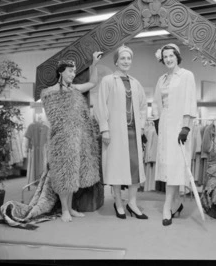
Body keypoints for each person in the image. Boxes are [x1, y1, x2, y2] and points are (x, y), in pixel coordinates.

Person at [40, 51, 103, 222]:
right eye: (70, 71)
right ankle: (64, 210)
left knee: (74, 174)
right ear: (61, 71)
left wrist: (94, 64)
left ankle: (71, 207)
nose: (73, 74)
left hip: (78, 138)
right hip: (61, 139)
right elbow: (53, 117)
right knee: (63, 174)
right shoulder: (50, 92)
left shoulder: (75, 89)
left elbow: (92, 82)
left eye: (74, 71)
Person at [96, 45, 148, 219]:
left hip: (133, 133)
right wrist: (104, 128)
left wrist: (141, 127)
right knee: (116, 167)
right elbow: (101, 105)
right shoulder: (108, 81)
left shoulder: (135, 82)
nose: (126, 61)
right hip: (115, 132)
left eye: (129, 58)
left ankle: (132, 203)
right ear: (116, 61)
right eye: (123, 58)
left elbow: (142, 107)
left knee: (135, 169)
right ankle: (118, 202)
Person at [152, 43, 197, 226]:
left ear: (177, 56)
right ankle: (177, 203)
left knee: (175, 167)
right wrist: (157, 123)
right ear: (162, 59)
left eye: (171, 55)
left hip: (180, 126)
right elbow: (156, 102)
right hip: (164, 126)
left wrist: (186, 127)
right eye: (165, 57)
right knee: (169, 167)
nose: (168, 59)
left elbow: (190, 100)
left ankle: (167, 206)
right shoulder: (161, 79)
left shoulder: (187, 76)